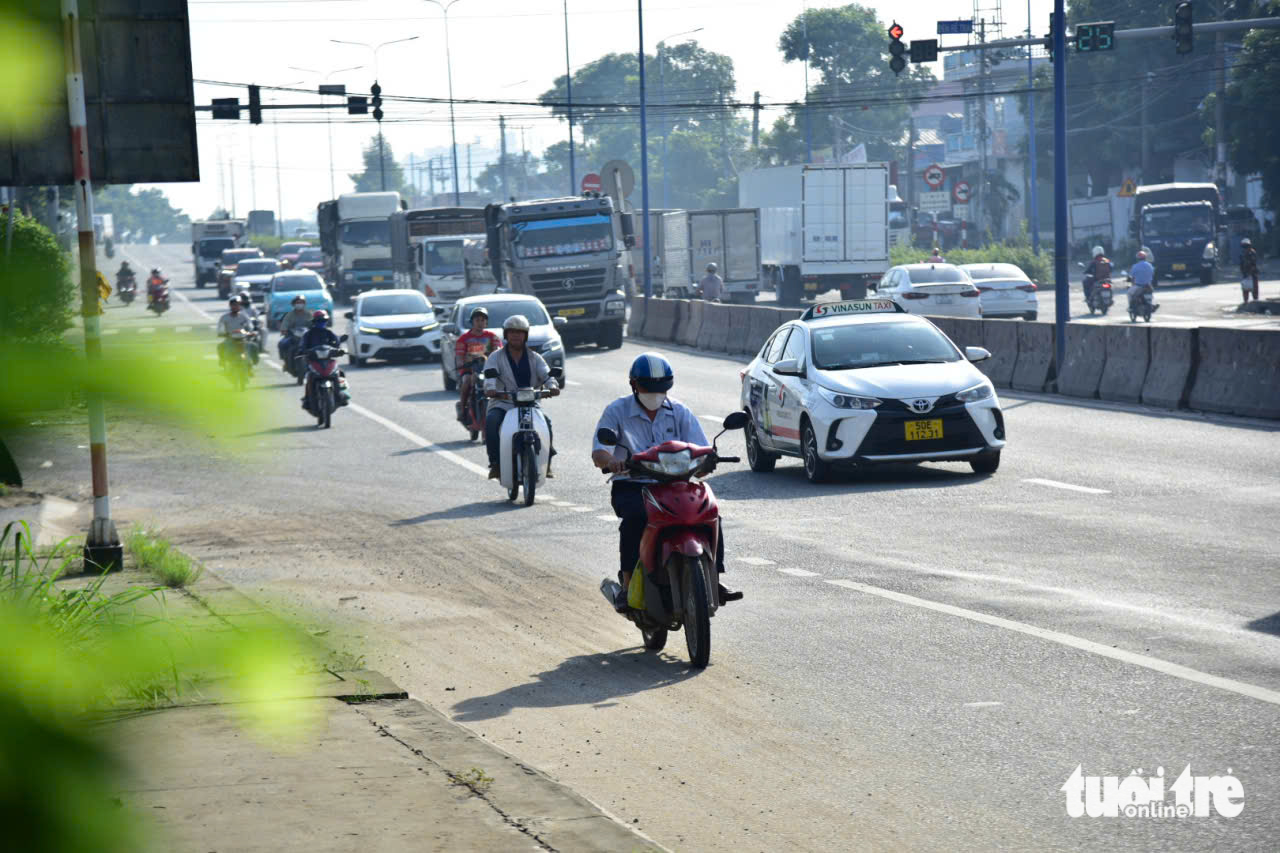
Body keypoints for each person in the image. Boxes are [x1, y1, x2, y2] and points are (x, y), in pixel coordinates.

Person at [591, 353, 743, 613]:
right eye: (649, 388)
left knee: (711, 514)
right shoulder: (617, 410)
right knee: (636, 519)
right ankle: (628, 586)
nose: (655, 394)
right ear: (634, 385)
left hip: (675, 485)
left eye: (661, 389)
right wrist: (612, 461)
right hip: (632, 484)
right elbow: (599, 453)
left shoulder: (679, 411)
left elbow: (701, 448)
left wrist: (708, 461)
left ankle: (714, 579)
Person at [483, 315, 559, 480]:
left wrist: (552, 386)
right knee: (491, 421)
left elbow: (546, 374)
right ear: (506, 334)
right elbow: (489, 377)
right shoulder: (495, 357)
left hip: (529, 403)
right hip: (504, 402)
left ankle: (548, 462)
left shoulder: (535, 357)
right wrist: (490, 389)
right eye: (512, 332)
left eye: (520, 332)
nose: (516, 335)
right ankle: (495, 463)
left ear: (525, 335)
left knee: (546, 423)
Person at [454, 306, 502, 423]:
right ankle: (463, 408)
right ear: (472, 322)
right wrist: (462, 364)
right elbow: (459, 356)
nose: (480, 323)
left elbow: (499, 352)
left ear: (486, 322)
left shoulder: (492, 336)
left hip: (487, 369)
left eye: (482, 320)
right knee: (466, 381)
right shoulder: (464, 339)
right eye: (477, 320)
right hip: (469, 369)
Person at [299, 310, 347, 411]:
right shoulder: (308, 334)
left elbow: (337, 343)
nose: (321, 323)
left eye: (323, 321)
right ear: (314, 322)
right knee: (308, 377)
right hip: (313, 361)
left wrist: (340, 350)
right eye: (318, 321)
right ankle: (307, 398)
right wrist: (303, 351)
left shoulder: (329, 333)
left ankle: (341, 394)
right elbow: (303, 345)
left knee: (340, 373)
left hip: (328, 360)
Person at [216, 297, 254, 370]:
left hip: (242, 339)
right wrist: (222, 333)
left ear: (240, 306)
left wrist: (251, 332)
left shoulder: (244, 316)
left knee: (252, 347)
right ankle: (223, 361)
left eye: (237, 305)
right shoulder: (224, 317)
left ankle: (250, 365)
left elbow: (250, 325)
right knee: (220, 347)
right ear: (230, 306)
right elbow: (220, 328)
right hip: (230, 339)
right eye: (233, 305)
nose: (235, 307)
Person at [277, 295, 311, 366]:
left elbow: (314, 323)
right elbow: (285, 323)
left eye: (301, 302)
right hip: (292, 335)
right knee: (282, 343)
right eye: (298, 303)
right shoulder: (289, 315)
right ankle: (286, 362)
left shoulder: (309, 314)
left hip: (307, 336)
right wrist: (284, 330)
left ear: (304, 304)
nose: (299, 304)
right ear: (294, 304)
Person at [1240, 237, 1260, 302]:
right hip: (1245, 274)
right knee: (1245, 289)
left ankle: (1255, 301)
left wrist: (1250, 272)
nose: (1245, 248)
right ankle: (1246, 302)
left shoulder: (1252, 253)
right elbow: (1241, 264)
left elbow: (1253, 264)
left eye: (1246, 246)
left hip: (1253, 274)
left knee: (1254, 290)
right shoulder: (1242, 254)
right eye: (1244, 246)